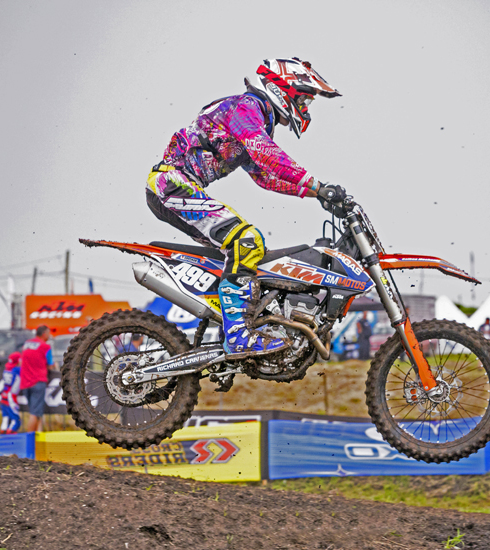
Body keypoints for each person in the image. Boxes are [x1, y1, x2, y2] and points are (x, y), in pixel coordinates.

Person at [145, 57, 342, 359]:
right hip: (172, 185)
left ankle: (229, 320)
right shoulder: (244, 108)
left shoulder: (255, 117)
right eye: (303, 99)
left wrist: (315, 194)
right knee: (246, 241)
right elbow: (267, 157)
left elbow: (264, 177)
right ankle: (238, 336)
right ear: (283, 88)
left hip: (175, 187)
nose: (305, 108)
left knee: (239, 254)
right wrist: (315, 184)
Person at [20, 325, 53, 433]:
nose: (49, 336)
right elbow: (50, 365)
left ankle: (37, 436)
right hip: (38, 381)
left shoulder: (26, 344)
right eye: (48, 333)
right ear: (44, 334)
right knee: (35, 413)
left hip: (25, 382)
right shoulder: (45, 347)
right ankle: (29, 439)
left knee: (34, 411)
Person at [0, 352, 22, 434]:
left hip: (4, 395)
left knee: (5, 417)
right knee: (16, 419)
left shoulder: (7, 369)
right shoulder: (17, 370)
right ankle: (11, 433)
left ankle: (3, 430)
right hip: (11, 396)